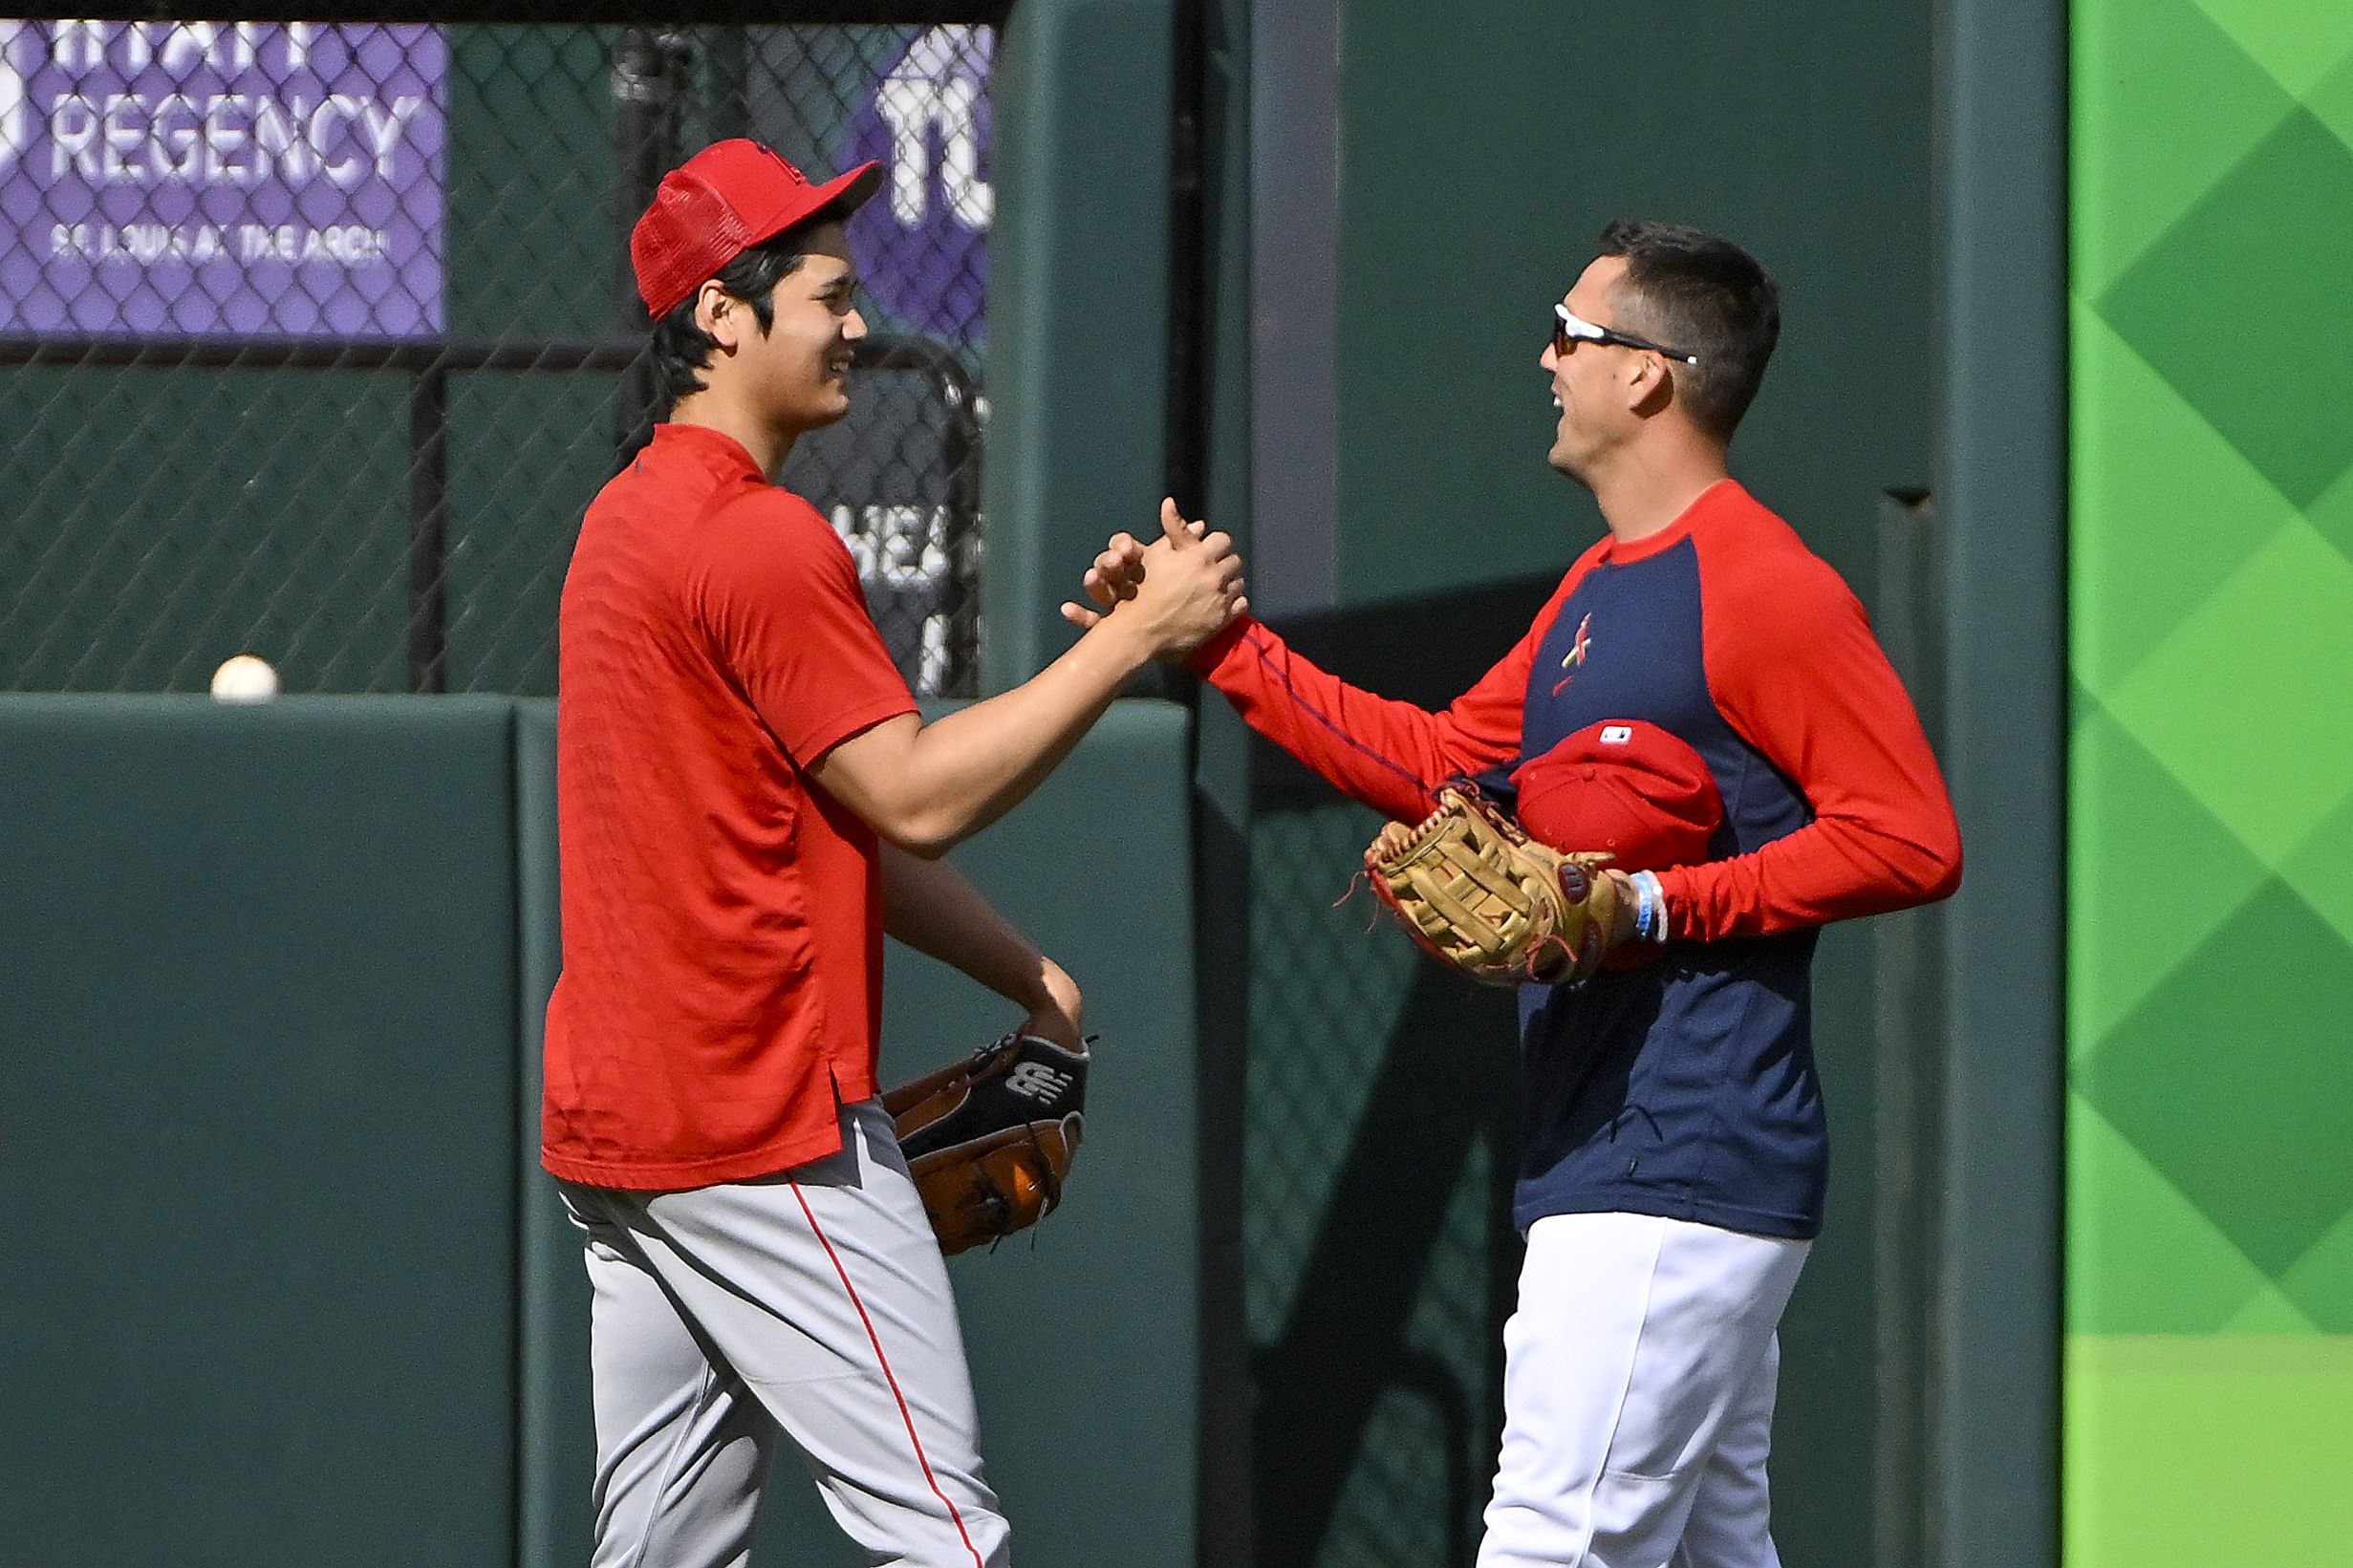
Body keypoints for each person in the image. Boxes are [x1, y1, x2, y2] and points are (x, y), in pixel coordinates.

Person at [1070, 219, 1962, 1566]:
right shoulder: (1596, 592)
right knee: (1711, 1547)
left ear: (1649, 375)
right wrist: (1221, 649)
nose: (1545, 356)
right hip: (1610, 1143)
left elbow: (1908, 836)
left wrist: (1660, 906)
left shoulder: (1762, 585)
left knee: (1550, 1539)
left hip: (1680, 1151)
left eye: (1572, 332)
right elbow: (1430, 757)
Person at [541, 139, 1244, 1568]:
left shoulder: (623, 520)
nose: (859, 323)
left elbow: (835, 824)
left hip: (625, 1128)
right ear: (723, 317)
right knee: (944, 1536)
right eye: (827, 292)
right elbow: (914, 794)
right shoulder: (757, 540)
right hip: (761, 1124)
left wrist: (1023, 968)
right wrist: (1135, 636)